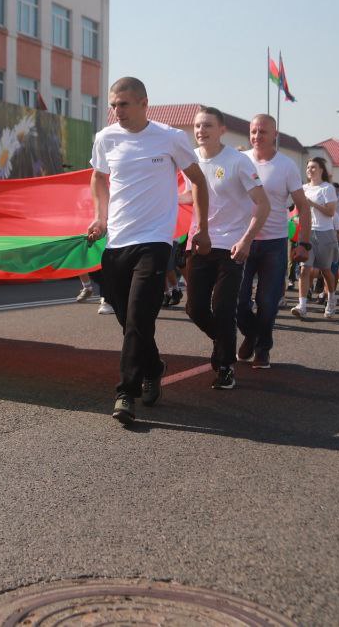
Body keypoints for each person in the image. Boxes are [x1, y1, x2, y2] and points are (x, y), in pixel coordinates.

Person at [88, 78, 208, 425]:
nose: (117, 111)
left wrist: (200, 227)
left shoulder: (170, 137)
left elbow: (197, 181)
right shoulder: (106, 138)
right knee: (127, 320)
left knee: (139, 317)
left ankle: (126, 392)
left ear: (144, 104)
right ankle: (153, 366)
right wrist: (100, 216)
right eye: (113, 104)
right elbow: (98, 177)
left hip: (155, 241)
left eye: (124, 104)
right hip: (117, 243)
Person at [182, 106, 269, 391]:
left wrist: (245, 240)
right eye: (197, 126)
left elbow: (263, 204)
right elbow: (189, 194)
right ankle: (225, 344)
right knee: (194, 309)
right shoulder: (189, 159)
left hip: (231, 245)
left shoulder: (238, 162)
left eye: (207, 125)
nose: (200, 131)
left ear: (222, 130)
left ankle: (225, 367)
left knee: (223, 307)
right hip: (199, 241)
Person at [237, 114, 312, 368]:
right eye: (254, 132)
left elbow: (303, 206)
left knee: (267, 301)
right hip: (242, 241)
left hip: (274, 242)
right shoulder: (240, 160)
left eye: (263, 132)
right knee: (238, 300)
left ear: (275, 135)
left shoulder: (287, 165)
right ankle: (251, 332)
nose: (257, 136)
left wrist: (304, 243)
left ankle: (262, 347)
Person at [291, 157, 339, 319]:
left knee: (325, 271)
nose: (310, 170)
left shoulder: (327, 188)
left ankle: (331, 298)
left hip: (325, 233)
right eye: (308, 167)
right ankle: (302, 305)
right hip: (306, 233)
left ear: (321, 170)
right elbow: (297, 210)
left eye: (314, 167)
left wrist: (313, 204)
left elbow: (331, 212)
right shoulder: (302, 188)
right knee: (305, 268)